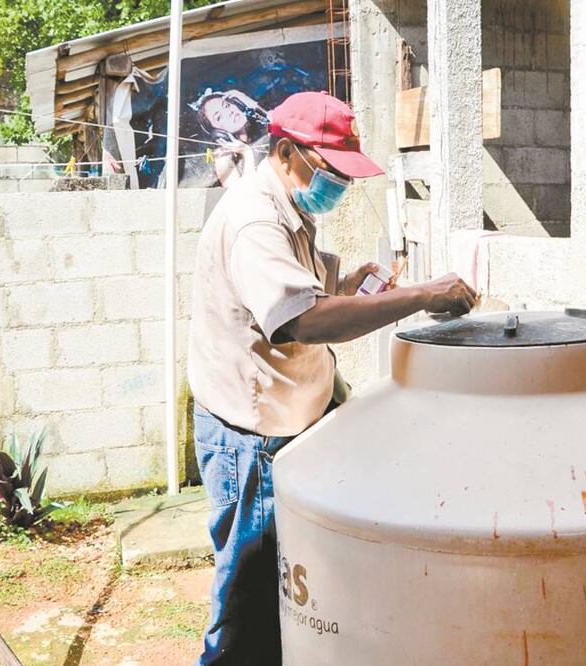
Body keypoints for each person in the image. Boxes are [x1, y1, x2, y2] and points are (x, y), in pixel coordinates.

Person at [187, 91, 477, 665]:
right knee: (249, 605)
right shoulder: (254, 219)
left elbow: (301, 292)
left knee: (293, 592)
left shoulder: (289, 205)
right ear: (289, 152)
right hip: (252, 437)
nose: (340, 188)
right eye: (332, 172)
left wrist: (349, 284)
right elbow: (298, 320)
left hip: (288, 420)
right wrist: (421, 296)